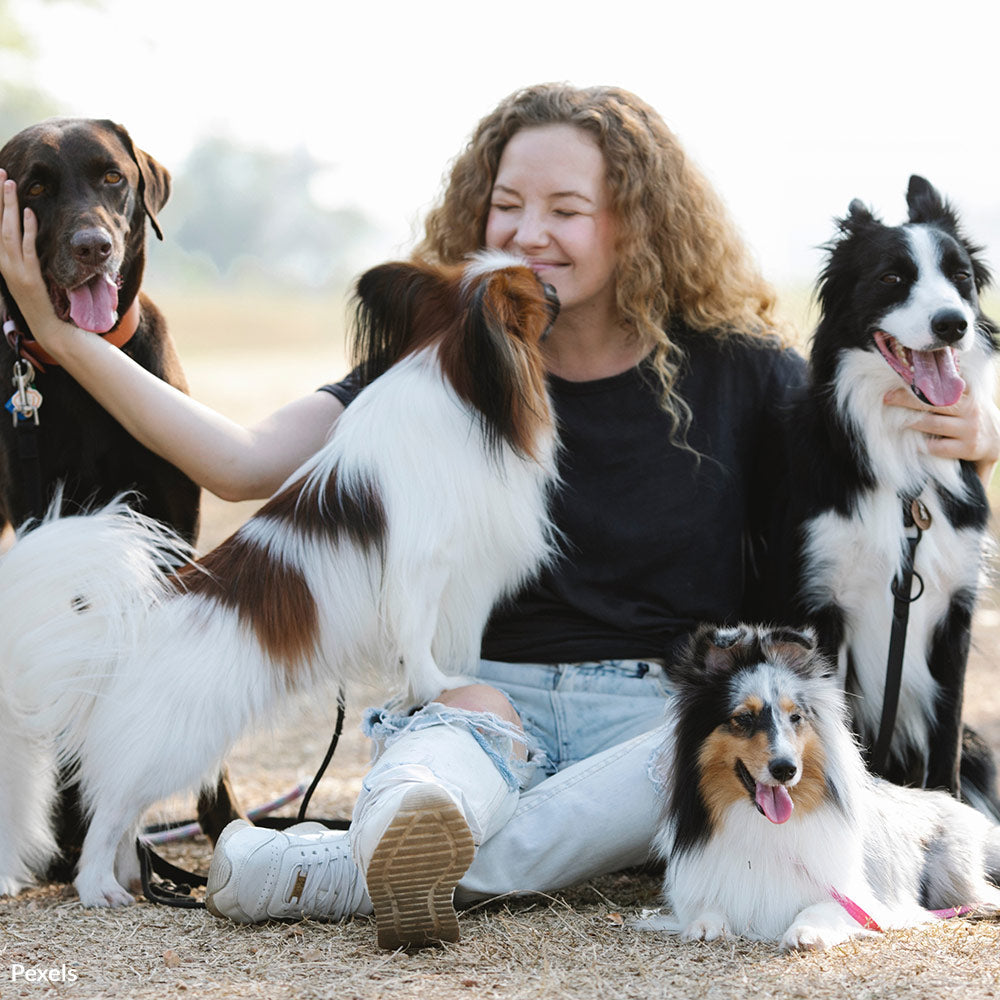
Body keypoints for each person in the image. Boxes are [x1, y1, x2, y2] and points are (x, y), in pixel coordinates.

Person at [1, 84, 997, 950]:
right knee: (422, 779)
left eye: (568, 207)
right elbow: (239, 460)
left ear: (636, 223)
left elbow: (867, 430)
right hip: (478, 702)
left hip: (643, 716)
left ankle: (324, 874)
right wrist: (60, 334)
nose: (531, 230)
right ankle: (407, 839)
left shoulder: (737, 370)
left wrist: (977, 427)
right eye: (509, 204)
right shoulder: (437, 359)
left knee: (681, 765)